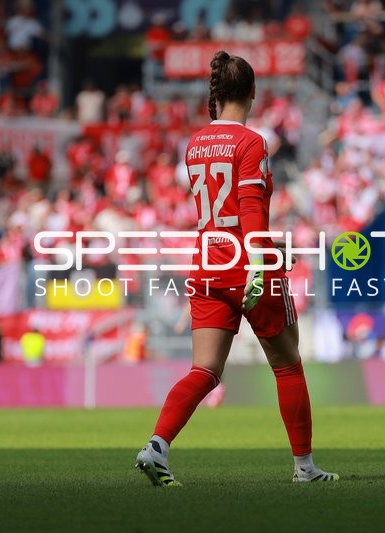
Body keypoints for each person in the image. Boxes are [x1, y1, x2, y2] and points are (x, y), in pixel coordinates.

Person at [135, 51, 338, 486]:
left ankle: (157, 446)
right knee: (288, 365)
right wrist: (260, 267)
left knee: (204, 371)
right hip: (245, 263)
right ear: (252, 93)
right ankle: (304, 468)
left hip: (206, 262)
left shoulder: (194, 144)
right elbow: (250, 213)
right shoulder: (252, 142)